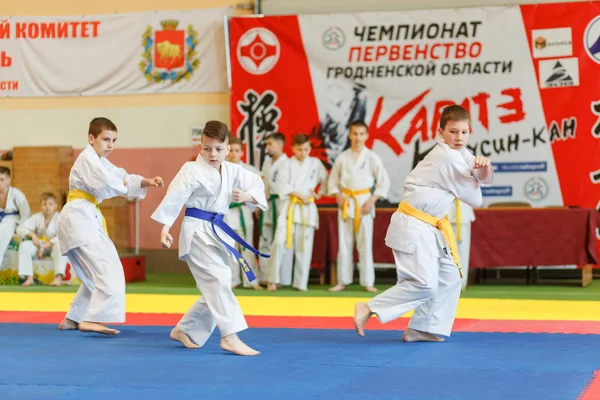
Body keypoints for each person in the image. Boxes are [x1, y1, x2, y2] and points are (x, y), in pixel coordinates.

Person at [353, 105, 494, 342]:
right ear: (441, 132)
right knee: (425, 284)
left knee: (450, 275)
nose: (459, 138)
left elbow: (485, 179)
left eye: (463, 132)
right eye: (453, 132)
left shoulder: (460, 153)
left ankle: (422, 327)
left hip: (430, 226)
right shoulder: (445, 156)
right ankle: (369, 307)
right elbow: (475, 198)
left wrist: (484, 167)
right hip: (413, 224)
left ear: (470, 131)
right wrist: (478, 173)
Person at [151, 120, 268, 356]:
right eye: (206, 148)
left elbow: (257, 183)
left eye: (218, 148)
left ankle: (186, 329)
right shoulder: (191, 170)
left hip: (217, 231)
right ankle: (230, 335)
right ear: (200, 147)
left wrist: (247, 195)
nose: (212, 154)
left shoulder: (233, 170)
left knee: (216, 283)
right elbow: (175, 197)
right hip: (196, 230)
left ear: (227, 148)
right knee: (219, 279)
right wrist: (165, 228)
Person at [58, 117, 163, 335]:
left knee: (95, 275)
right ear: (91, 138)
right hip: (80, 218)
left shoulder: (98, 161)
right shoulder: (88, 158)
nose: (110, 145)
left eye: (114, 140)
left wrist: (144, 181)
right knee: (109, 268)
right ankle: (92, 319)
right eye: (106, 139)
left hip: (81, 218)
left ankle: (73, 318)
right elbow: (107, 183)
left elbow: (120, 176)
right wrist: (125, 187)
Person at [328, 120, 390, 293]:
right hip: (347, 203)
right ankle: (343, 281)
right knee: (344, 243)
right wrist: (337, 196)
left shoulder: (372, 157)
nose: (358, 137)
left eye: (361, 134)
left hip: (364, 203)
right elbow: (332, 181)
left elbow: (383, 182)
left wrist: (372, 200)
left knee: (364, 244)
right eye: (355, 134)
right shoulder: (342, 157)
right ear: (349, 135)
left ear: (367, 136)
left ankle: (367, 281)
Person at [266, 134, 328, 292]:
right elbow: (282, 187)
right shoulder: (286, 164)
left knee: (304, 246)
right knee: (279, 242)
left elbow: (326, 180)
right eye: (300, 149)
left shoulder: (315, 163)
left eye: (306, 149)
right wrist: (300, 195)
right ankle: (272, 279)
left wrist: (319, 194)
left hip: (307, 209)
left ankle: (301, 283)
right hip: (290, 207)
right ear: (293, 148)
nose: (303, 152)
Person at [224, 135, 262, 290]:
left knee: (247, 247)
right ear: (226, 151)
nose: (234, 153)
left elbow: (258, 193)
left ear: (242, 152)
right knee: (229, 248)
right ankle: (233, 280)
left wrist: (255, 204)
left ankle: (252, 280)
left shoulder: (250, 171)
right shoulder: (221, 170)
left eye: (237, 150)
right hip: (226, 213)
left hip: (244, 213)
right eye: (231, 150)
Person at [258, 132, 291, 286]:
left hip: (281, 203)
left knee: (279, 242)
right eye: (267, 144)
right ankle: (265, 277)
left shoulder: (288, 163)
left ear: (280, 144)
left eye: (270, 144)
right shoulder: (266, 162)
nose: (268, 147)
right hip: (267, 203)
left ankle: (278, 279)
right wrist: (259, 203)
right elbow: (263, 186)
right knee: (265, 240)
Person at [18, 192, 68, 287]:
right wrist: (32, 235)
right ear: (41, 206)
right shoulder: (37, 217)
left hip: (53, 246)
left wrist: (45, 246)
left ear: (55, 206)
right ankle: (29, 278)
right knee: (24, 246)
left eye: (50, 204)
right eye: (44, 204)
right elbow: (20, 228)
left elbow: (63, 236)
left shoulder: (60, 218)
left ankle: (58, 278)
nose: (47, 207)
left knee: (60, 246)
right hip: (39, 245)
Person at [0, 166, 30, 265]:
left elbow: (26, 214)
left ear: (8, 180)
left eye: (2, 179)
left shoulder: (17, 195)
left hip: (12, 221)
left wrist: (19, 228)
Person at [447, 200, 475, 291]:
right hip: (442, 212)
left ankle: (461, 283)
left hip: (462, 211)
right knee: (445, 253)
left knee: (462, 253)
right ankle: (445, 283)